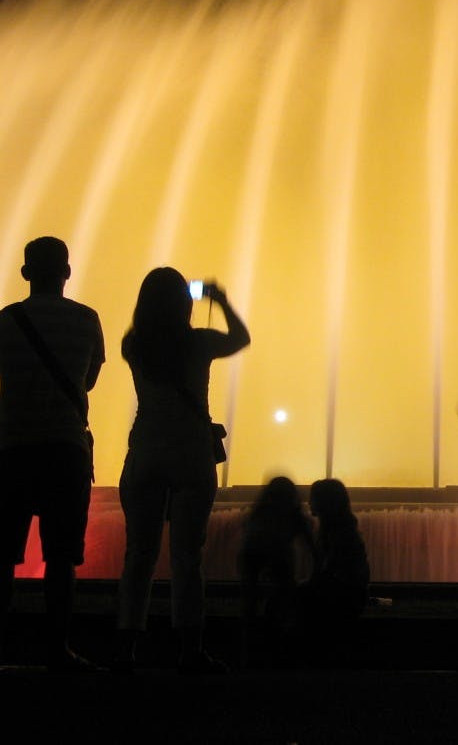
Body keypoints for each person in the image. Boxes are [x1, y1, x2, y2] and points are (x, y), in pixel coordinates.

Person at [0, 236, 104, 672]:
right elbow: (88, 381)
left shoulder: (4, 321)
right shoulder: (87, 319)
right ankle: (58, 650)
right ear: (67, 272)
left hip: (12, 447)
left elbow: (3, 372)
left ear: (25, 273)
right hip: (66, 448)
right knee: (62, 559)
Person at [114, 269, 249, 673]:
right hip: (191, 451)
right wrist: (220, 300)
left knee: (138, 555)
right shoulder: (198, 343)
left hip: (146, 449)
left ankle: (126, 648)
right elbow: (240, 338)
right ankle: (190, 650)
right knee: (187, 557)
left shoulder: (133, 345)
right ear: (184, 303)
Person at [239, 475, 314, 661]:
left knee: (251, 602)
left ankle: (249, 648)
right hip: (274, 557)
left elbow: (249, 548)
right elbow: (312, 548)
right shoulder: (294, 516)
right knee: (283, 595)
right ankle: (280, 642)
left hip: (254, 556)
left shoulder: (260, 514)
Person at [299, 478, 370, 637]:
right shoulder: (342, 532)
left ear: (325, 503)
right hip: (348, 599)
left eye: (313, 498)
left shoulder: (337, 536)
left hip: (340, 602)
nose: (309, 503)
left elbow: (325, 575)